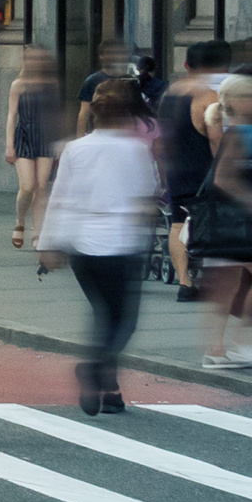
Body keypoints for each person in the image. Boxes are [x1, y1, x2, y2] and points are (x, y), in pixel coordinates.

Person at [39, 79, 163, 412]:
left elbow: (60, 196)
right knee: (124, 321)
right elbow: (149, 194)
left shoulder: (75, 149)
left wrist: (49, 243)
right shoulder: (136, 149)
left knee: (103, 315)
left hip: (82, 247)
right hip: (121, 245)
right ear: (128, 115)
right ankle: (94, 368)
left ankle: (110, 391)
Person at [192, 72, 252, 368]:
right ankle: (244, 345)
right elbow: (223, 179)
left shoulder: (244, 132)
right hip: (234, 223)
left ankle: (215, 351)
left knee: (226, 287)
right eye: (251, 96)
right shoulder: (239, 134)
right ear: (233, 101)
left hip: (226, 222)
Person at [154, 41, 227, 291]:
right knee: (211, 222)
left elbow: (161, 136)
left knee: (177, 224)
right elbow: (215, 138)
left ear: (186, 65)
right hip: (203, 170)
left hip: (176, 169)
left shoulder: (168, 94)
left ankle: (184, 282)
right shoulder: (210, 97)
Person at [6, 47, 65, 250]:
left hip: (45, 138)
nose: (35, 63)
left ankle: (38, 231)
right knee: (27, 186)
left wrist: (59, 141)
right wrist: (9, 145)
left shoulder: (52, 85)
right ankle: (19, 221)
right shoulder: (18, 85)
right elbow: (11, 116)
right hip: (24, 136)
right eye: (31, 59)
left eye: (39, 59)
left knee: (41, 187)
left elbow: (56, 116)